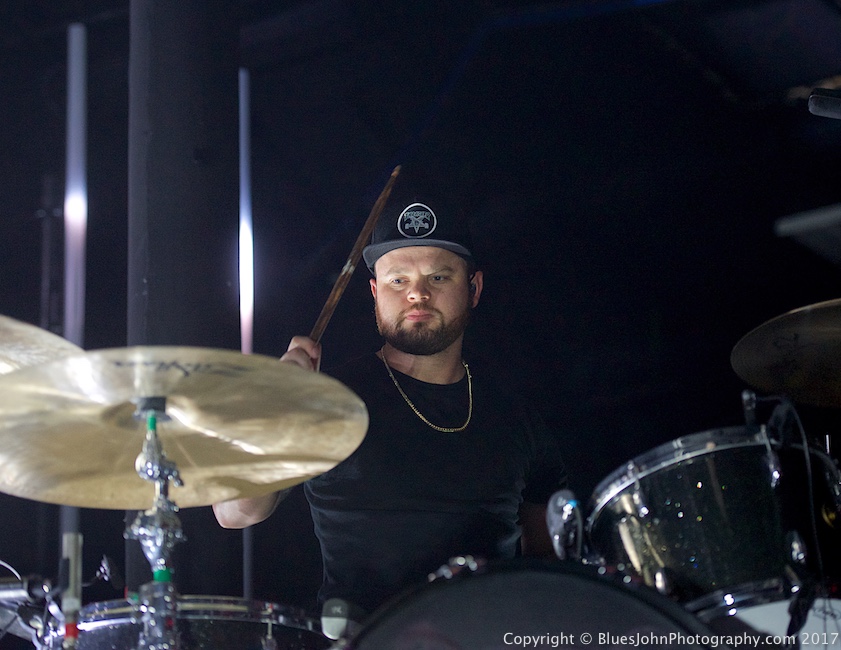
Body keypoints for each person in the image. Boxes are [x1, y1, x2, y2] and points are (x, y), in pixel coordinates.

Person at [213, 183, 567, 623]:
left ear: (473, 288)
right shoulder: (329, 402)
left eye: (438, 277)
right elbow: (235, 512)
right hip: (361, 637)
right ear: (376, 292)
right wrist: (278, 410)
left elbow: (551, 573)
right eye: (398, 280)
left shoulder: (517, 415)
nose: (417, 294)